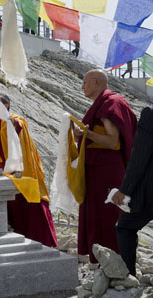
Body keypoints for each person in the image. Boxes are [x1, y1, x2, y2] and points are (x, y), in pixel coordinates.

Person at [74, 69, 137, 264]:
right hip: (98, 168)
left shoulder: (110, 104)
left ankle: (118, 262)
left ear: (96, 82)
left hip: (106, 170)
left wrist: (86, 134)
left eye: (85, 82)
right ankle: (103, 262)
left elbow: (112, 142)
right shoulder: (103, 103)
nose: (82, 86)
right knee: (97, 213)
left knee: (108, 214)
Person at [0, 93, 58, 247]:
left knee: (29, 205)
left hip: (20, 171)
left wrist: (12, 123)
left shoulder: (14, 120)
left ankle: (42, 242)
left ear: (6, 106)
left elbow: (19, 125)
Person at [113, 106, 153, 276]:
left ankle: (128, 278)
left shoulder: (150, 114)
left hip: (150, 191)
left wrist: (125, 189)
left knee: (125, 227)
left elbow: (140, 155)